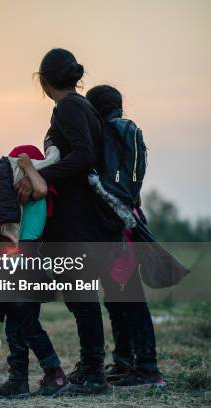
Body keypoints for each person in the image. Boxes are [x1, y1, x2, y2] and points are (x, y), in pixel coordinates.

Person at [15, 48, 124, 396]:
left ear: (44, 81)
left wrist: (37, 173)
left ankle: (94, 374)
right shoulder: (79, 106)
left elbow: (83, 155)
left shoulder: (70, 107)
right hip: (80, 217)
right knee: (80, 297)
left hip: (78, 218)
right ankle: (89, 368)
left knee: (81, 296)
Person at [86, 84, 165, 387]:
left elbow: (112, 183)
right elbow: (130, 183)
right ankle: (126, 362)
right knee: (119, 299)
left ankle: (146, 368)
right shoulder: (128, 131)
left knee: (128, 300)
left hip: (118, 231)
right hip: (127, 223)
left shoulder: (111, 132)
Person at [0, 145, 68, 399]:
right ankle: (18, 380)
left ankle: (54, 372)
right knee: (14, 326)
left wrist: (27, 165)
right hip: (16, 263)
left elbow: (41, 187)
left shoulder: (36, 190)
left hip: (30, 262)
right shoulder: (19, 193)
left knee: (28, 323)